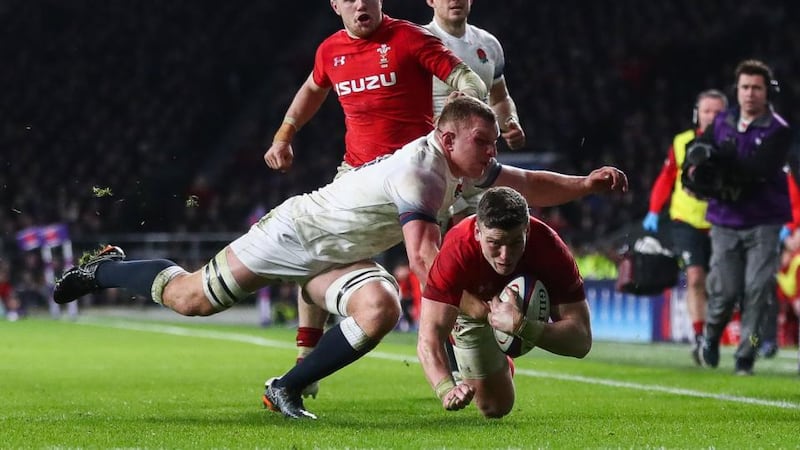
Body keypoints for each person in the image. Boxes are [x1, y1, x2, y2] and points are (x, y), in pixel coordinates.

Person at [54, 97, 627, 419]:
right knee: (190, 299)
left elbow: (525, 181)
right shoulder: (423, 173)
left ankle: (287, 386)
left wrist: (586, 186)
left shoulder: (464, 166)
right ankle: (102, 266)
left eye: (493, 143)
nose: (492, 151)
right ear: (447, 139)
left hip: (343, 254)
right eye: (484, 141)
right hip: (297, 234)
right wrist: (481, 311)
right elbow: (428, 266)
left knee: (380, 308)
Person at [263, 0, 488, 395]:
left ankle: (469, 355)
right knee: (316, 252)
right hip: (357, 177)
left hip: (416, 175)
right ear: (336, 5)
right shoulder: (330, 49)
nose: (361, 3)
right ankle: (306, 360)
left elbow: (467, 78)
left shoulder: (409, 38)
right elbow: (313, 88)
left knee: (445, 263)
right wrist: (284, 134)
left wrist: (463, 100)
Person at [417, 186, 591, 417]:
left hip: (518, 315)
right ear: (478, 232)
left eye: (515, 243)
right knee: (492, 406)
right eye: (495, 243)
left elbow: (581, 341)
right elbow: (429, 337)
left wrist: (523, 327)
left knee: (496, 407)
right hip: (470, 305)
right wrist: (446, 388)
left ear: (527, 230)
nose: (505, 256)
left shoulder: (551, 249)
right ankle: (492, 359)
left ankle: (497, 359)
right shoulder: (456, 249)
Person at [682, 59, 792, 375]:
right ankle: (712, 338)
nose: (749, 94)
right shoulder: (723, 122)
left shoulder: (778, 131)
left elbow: (759, 171)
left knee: (758, 288)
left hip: (765, 220)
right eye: (744, 87)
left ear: (766, 92)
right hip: (726, 220)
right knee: (725, 292)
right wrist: (691, 170)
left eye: (756, 87)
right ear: (737, 90)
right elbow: (698, 148)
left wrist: (719, 162)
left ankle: (745, 357)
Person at [642, 89, 727, 364]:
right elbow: (667, 177)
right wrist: (654, 210)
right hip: (686, 220)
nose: (712, 116)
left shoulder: (732, 142)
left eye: (718, 112)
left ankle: (713, 333)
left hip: (723, 221)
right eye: (707, 111)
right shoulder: (682, 142)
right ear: (697, 114)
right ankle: (700, 336)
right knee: (695, 277)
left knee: (724, 283)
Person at [425, 0, 525, 227]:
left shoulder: (488, 44)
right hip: (437, 171)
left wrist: (510, 122)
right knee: (440, 251)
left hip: (480, 169)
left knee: (484, 245)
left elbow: (499, 98)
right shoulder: (418, 42)